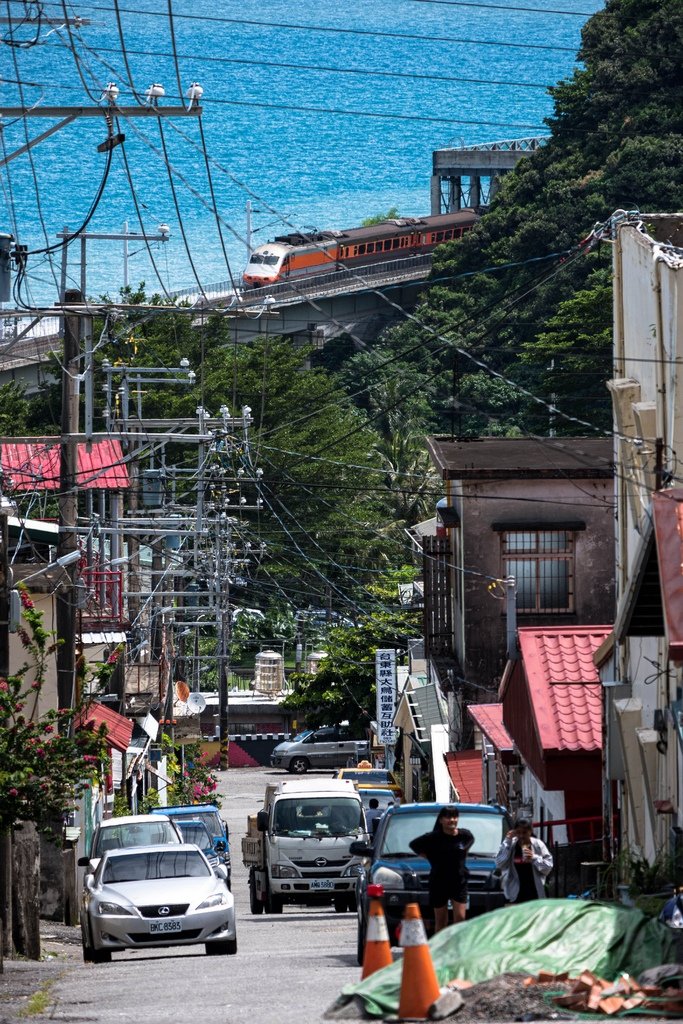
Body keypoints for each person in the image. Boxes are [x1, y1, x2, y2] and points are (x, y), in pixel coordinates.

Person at [409, 806, 474, 932]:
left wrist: (462, 853)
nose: (452, 820)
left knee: (460, 919)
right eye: (448, 817)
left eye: (455, 817)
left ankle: (457, 949)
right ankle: (440, 949)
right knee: (441, 920)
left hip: (459, 882)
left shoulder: (465, 835)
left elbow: (468, 844)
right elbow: (414, 845)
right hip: (439, 882)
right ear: (441, 820)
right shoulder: (433, 837)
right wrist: (429, 856)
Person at [495, 817, 553, 904]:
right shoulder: (511, 845)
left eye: (524, 832)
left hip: (535, 894)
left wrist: (534, 858)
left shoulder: (538, 845)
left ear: (530, 831)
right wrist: (507, 841)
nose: (521, 836)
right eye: (518, 832)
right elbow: (500, 864)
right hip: (514, 894)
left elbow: (548, 867)